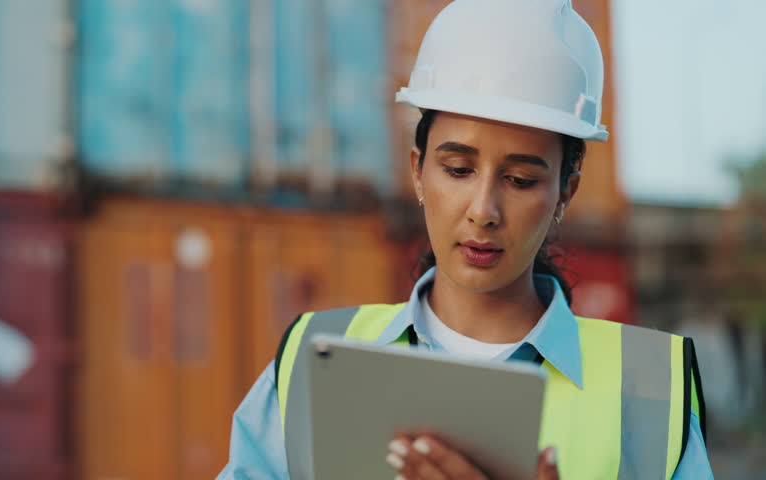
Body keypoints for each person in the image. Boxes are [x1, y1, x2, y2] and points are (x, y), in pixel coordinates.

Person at [217, 0, 713, 478]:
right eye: (457, 169)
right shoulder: (313, 358)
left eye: (520, 180)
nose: (483, 211)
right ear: (418, 171)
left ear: (566, 191)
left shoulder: (650, 387)